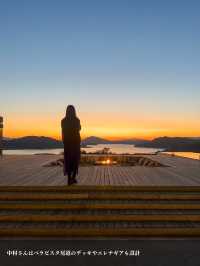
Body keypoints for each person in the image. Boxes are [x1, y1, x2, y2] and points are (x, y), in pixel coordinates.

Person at [61, 105, 81, 185]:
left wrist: (64, 141)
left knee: (68, 161)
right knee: (75, 160)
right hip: (75, 143)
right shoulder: (76, 120)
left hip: (67, 143)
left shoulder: (63, 121)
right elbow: (78, 128)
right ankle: (73, 178)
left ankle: (69, 179)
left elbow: (63, 132)